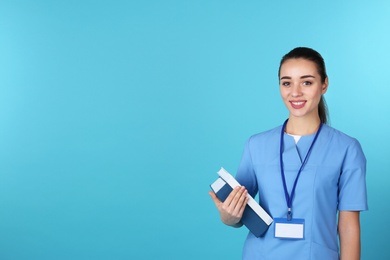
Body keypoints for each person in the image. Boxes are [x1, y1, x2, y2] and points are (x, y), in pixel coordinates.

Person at [209, 47, 368, 260]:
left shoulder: (347, 149)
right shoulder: (256, 145)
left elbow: (348, 226)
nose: (295, 92)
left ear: (324, 85)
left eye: (307, 82)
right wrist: (228, 216)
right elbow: (238, 215)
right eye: (287, 83)